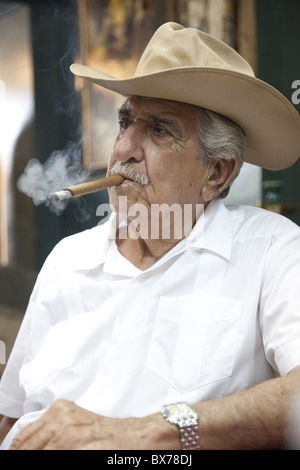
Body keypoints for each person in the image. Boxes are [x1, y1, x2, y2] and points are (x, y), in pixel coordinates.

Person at [1, 21, 300, 451]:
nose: (124, 150)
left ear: (217, 172)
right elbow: (11, 414)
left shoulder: (271, 249)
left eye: (159, 130)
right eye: (126, 122)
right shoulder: (68, 259)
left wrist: (141, 432)